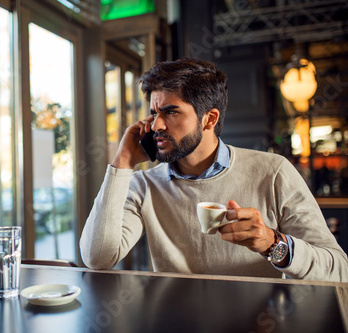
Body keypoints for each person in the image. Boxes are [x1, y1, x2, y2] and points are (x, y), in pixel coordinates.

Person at [80, 57, 348, 282]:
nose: (156, 125)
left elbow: (338, 268)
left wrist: (272, 243)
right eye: (154, 113)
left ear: (209, 118)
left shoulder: (273, 172)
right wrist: (122, 163)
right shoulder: (143, 184)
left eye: (171, 112)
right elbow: (97, 258)